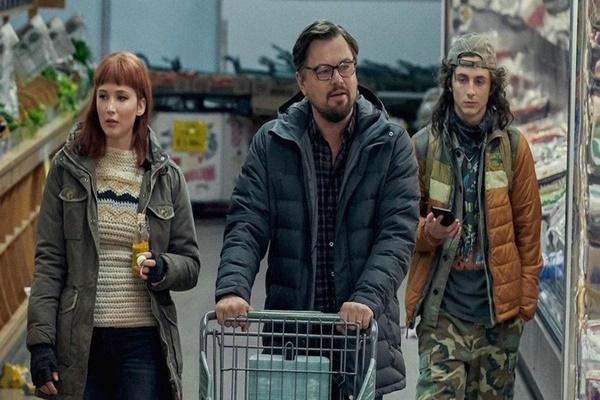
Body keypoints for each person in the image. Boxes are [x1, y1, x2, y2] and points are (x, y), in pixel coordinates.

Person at [214, 20, 419, 399]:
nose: (338, 79)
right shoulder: (272, 143)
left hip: (360, 334)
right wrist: (232, 288)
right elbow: (247, 223)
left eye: (345, 66)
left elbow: (397, 234)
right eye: (324, 71)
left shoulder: (391, 144)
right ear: (302, 81)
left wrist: (366, 298)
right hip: (294, 335)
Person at [26, 51, 201, 399]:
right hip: (80, 339)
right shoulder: (67, 169)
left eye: (122, 98)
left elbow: (191, 264)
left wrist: (162, 266)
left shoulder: (166, 177)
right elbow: (49, 261)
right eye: (103, 96)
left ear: (141, 105)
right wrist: (40, 343)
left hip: (143, 341)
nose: (110, 108)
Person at [405, 33, 543, 399]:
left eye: (479, 81)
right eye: (462, 79)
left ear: (491, 87)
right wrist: (429, 233)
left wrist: (524, 303)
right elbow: (403, 227)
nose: (470, 91)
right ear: (449, 83)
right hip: (442, 311)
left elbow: (529, 230)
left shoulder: (513, 148)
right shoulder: (424, 146)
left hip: (498, 317)